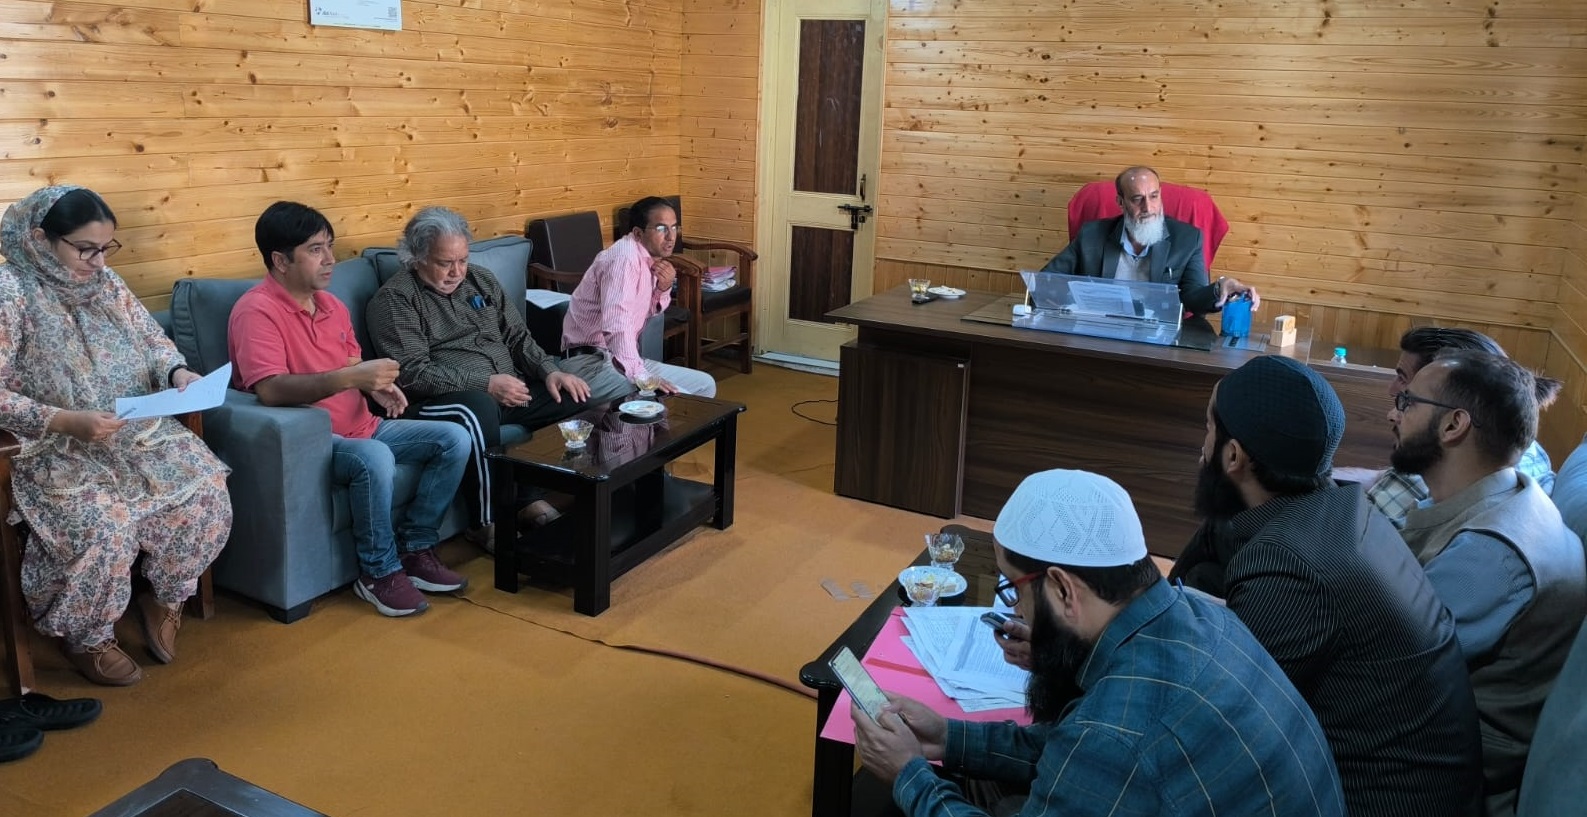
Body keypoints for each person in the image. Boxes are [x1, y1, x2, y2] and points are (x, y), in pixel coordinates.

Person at [853, 469, 1345, 817]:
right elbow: (1072, 747)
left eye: (1014, 590)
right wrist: (948, 736)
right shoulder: (1205, 619)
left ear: (1064, 589)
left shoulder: (1116, 734)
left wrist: (909, 774)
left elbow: (1103, 748)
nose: (1016, 612)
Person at [1169, 355, 1484, 817]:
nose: (1202, 451)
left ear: (1233, 456)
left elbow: (1209, 721)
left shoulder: (1290, 565)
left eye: (1208, 431)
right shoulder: (1343, 509)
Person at [0, 186, 233, 686]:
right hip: (55, 445)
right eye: (86, 249)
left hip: (132, 432)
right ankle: (87, 637)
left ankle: (165, 598)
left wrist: (176, 372)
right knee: (105, 526)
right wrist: (64, 420)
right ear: (40, 239)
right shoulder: (10, 290)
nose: (100, 261)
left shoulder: (106, 282)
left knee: (207, 490)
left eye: (106, 248)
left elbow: (153, 341)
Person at [229, 201, 471, 618]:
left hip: (363, 424)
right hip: (318, 441)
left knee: (454, 438)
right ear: (280, 261)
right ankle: (378, 573)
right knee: (374, 457)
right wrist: (350, 378)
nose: (330, 259)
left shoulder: (331, 305)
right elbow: (269, 389)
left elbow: (351, 362)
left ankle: (415, 548)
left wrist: (378, 386)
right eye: (315, 249)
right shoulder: (256, 311)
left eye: (330, 246)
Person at [1389, 350, 1586, 816]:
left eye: (1407, 402)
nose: (1393, 413)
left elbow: (1381, 665)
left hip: (1441, 779)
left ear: (1454, 425)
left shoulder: (1492, 555)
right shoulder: (1510, 495)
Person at [365, 207, 629, 544]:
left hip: (509, 388)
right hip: (443, 402)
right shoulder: (396, 300)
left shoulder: (481, 280)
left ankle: (537, 497)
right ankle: (485, 522)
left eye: (462, 260)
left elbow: (517, 337)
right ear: (416, 258)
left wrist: (550, 371)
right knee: (480, 407)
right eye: (445, 263)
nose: (457, 272)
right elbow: (414, 374)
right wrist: (487, 384)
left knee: (579, 389)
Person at [1335, 326, 1562, 526]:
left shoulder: (1435, 467)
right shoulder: (1522, 450)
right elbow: (1384, 478)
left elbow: (1357, 536)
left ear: (1454, 422)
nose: (1392, 390)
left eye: (1407, 390)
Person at [1039, 166, 1257, 316]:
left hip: (1155, 338)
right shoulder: (1092, 234)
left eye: (1154, 196)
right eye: (1137, 199)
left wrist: (1220, 288)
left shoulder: (1188, 239)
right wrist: (1076, 301)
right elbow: (1046, 281)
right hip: (1100, 331)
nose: (1148, 208)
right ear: (1120, 202)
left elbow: (1194, 297)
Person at [562, 196, 717, 397]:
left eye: (674, 227)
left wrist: (663, 287)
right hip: (589, 363)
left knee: (705, 384)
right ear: (638, 233)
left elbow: (647, 312)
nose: (671, 237)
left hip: (618, 359)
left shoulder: (647, 258)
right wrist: (641, 376)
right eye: (661, 228)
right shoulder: (623, 259)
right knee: (676, 396)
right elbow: (617, 325)